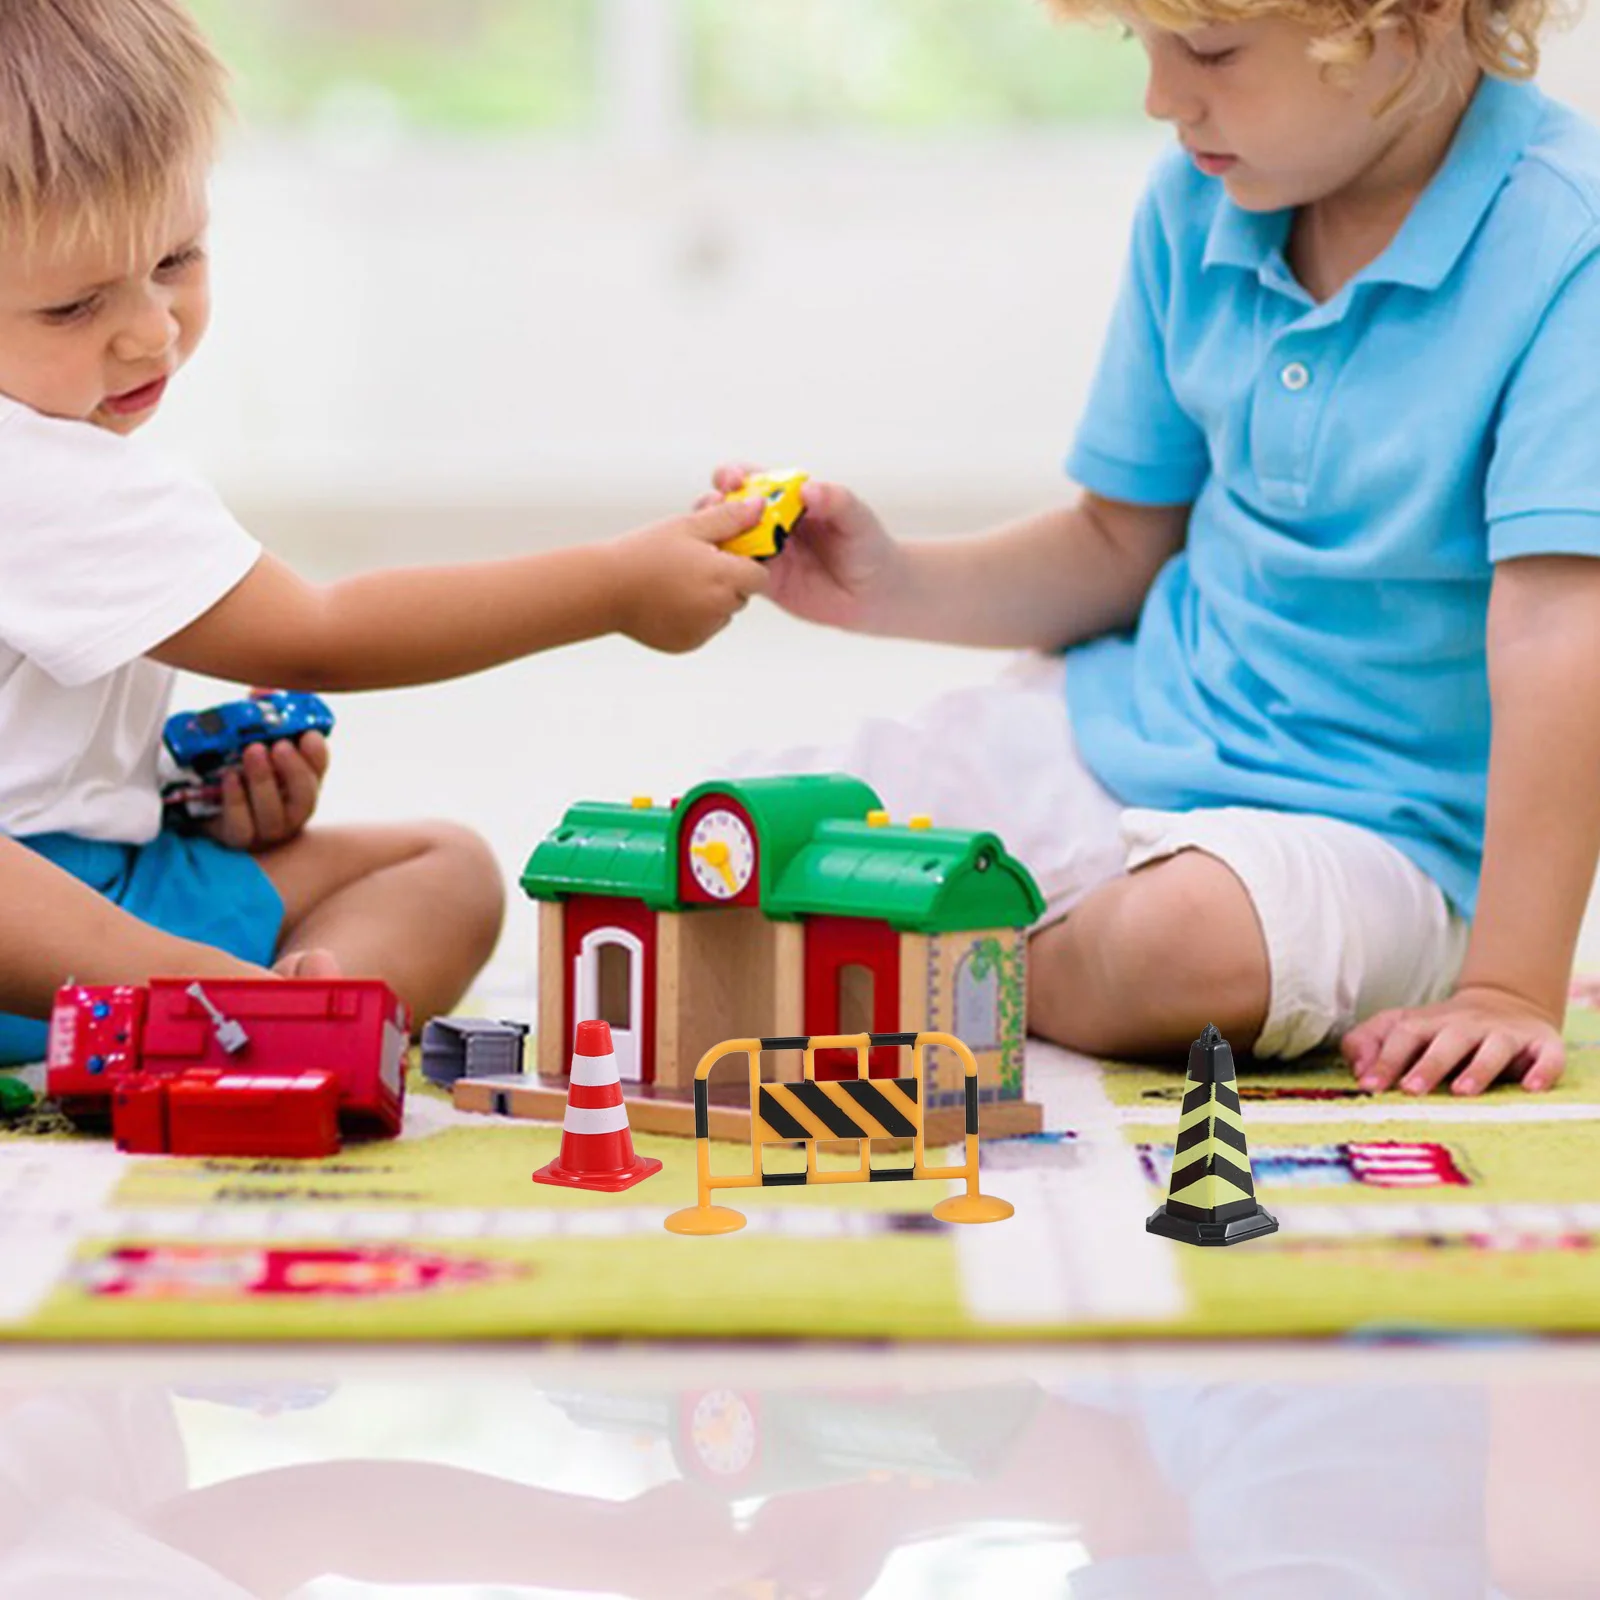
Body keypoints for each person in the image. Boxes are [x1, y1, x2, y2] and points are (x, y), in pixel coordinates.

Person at [715, 0, 1600, 1094]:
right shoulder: (1204, 200)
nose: (1160, 98)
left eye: (1211, 52)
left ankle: (917, 962)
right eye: (1145, 46)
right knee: (765, 825)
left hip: (1382, 838)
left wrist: (1506, 986)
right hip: (1129, 727)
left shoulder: (1569, 238)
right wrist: (886, 586)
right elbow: (1115, 543)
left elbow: (1561, 627)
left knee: (1181, 944)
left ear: (1408, 20)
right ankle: (951, 946)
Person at [0, 0, 769, 1066]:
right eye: (75, 307)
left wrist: (187, 800)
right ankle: (225, 1009)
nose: (152, 329)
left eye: (177, 257)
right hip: (50, 931)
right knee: (441, 871)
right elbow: (321, 632)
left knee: (437, 863)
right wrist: (612, 588)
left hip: (103, 882)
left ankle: (253, 1019)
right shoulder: (39, 469)